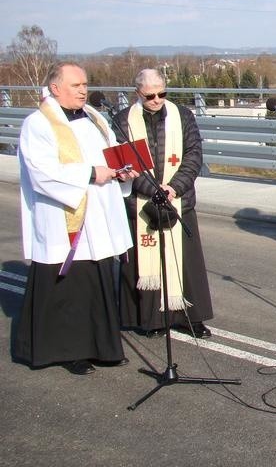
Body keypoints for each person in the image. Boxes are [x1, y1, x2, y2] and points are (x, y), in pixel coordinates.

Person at [14, 62, 138, 375]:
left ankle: (103, 347)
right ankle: (70, 350)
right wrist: (88, 173)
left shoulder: (95, 117)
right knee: (69, 289)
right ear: (55, 88)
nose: (83, 90)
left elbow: (110, 153)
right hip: (63, 217)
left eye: (84, 84)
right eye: (75, 85)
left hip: (98, 213)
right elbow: (42, 172)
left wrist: (124, 169)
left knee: (97, 281)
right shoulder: (38, 124)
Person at [113, 69, 214, 337]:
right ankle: (153, 320)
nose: (156, 99)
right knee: (147, 264)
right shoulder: (123, 121)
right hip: (143, 203)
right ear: (138, 93)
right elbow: (123, 163)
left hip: (178, 200)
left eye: (162, 93)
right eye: (150, 95)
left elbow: (194, 154)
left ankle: (191, 317)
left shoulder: (183, 116)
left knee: (185, 263)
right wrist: (153, 189)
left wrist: (174, 187)